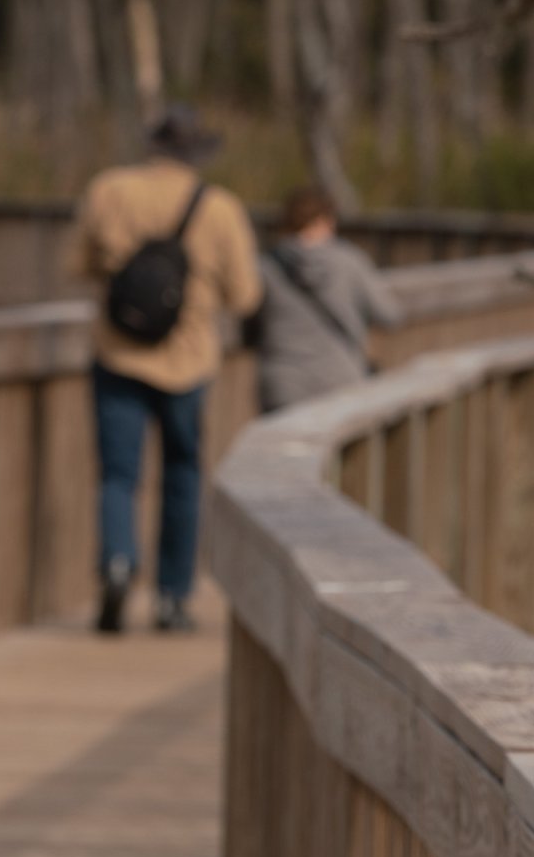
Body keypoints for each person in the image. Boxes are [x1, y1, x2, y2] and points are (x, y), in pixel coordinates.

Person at [71, 106, 262, 635]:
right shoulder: (220, 208)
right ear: (197, 152)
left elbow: (79, 264)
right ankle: (172, 599)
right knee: (181, 474)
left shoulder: (108, 190)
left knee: (117, 473)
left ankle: (116, 562)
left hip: (118, 352)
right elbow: (245, 295)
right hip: (188, 359)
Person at [252, 186, 400, 414]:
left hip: (283, 384)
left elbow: (249, 321)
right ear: (326, 221)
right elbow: (390, 315)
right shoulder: (349, 261)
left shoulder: (266, 267)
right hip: (340, 380)